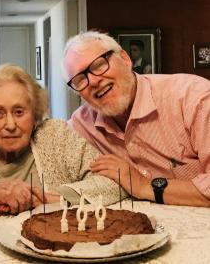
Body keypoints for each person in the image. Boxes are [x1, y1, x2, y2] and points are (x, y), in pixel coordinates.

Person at [0, 64, 125, 216]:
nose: (10, 124)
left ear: (34, 115)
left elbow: (113, 182)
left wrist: (53, 198)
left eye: (19, 112)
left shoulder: (58, 137)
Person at [63, 31, 210, 207]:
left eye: (99, 65)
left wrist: (143, 186)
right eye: (80, 79)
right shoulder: (83, 124)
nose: (93, 81)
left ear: (125, 59)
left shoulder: (193, 99)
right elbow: (43, 144)